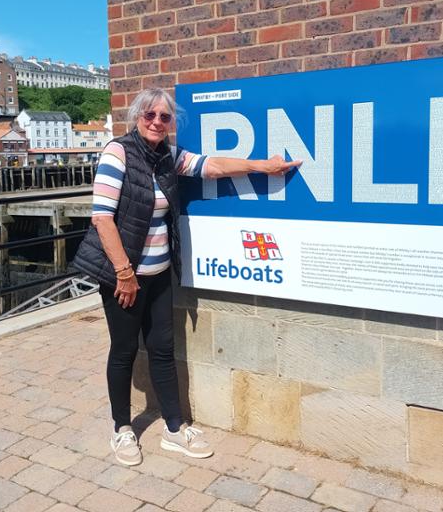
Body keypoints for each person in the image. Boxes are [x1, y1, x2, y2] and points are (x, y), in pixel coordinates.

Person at [72, 88, 300, 467]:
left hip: (160, 275)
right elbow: (101, 217)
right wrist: (125, 275)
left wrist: (264, 166)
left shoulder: (168, 156)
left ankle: (175, 429)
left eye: (164, 116)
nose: (157, 122)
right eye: (150, 115)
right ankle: (122, 428)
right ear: (136, 117)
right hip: (124, 278)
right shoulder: (118, 152)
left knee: (163, 349)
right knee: (124, 350)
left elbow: (211, 166)